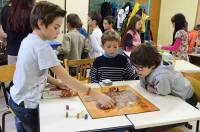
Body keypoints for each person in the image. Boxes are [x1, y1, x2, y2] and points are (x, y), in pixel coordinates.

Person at [8, 2, 115, 132]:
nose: (59, 31)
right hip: (27, 106)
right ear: (41, 23)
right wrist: (98, 96)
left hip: (16, 100)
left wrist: (56, 82)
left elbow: (36, 73)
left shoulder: (28, 40)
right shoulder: (42, 47)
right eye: (56, 27)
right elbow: (67, 79)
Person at [130, 43, 197, 107]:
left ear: (152, 65)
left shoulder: (162, 76)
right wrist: (147, 86)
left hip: (187, 98)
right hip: (172, 95)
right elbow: (142, 82)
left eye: (140, 68)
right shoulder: (144, 70)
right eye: (135, 66)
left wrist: (148, 87)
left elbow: (162, 93)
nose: (137, 70)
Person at [0, 0, 35, 64]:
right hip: (31, 53)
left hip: (12, 53)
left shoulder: (5, 10)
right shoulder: (34, 10)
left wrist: (6, 36)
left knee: (13, 73)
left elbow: (3, 35)